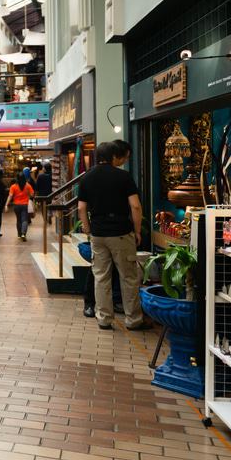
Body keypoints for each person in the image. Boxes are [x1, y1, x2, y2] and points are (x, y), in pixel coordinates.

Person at [78, 141, 150, 331]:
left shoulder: (87, 178)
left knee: (101, 277)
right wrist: (136, 230)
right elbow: (135, 206)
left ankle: (104, 319)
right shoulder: (123, 177)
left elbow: (81, 208)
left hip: (98, 233)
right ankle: (133, 320)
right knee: (128, 277)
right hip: (120, 233)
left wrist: (87, 228)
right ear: (113, 157)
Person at [5, 173, 34, 241]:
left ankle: (19, 234)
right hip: (25, 205)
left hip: (16, 206)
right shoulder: (28, 185)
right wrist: (28, 196)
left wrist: (6, 205)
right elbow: (32, 194)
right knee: (24, 220)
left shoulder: (13, 186)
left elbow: (10, 196)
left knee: (18, 220)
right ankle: (23, 233)